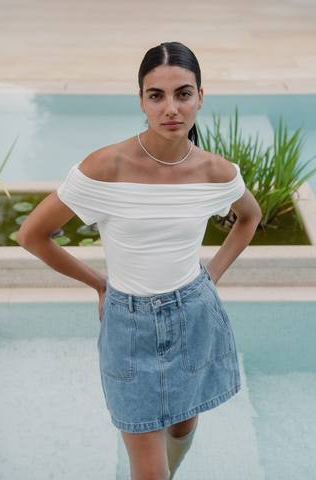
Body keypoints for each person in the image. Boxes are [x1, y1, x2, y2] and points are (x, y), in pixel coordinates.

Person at [17, 42, 262, 480]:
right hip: (129, 327)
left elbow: (250, 217)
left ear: (200, 98)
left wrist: (211, 278)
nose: (171, 108)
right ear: (142, 101)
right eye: (157, 95)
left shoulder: (215, 172)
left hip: (194, 316)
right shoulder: (105, 167)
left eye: (183, 94)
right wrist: (99, 284)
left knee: (184, 424)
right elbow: (32, 235)